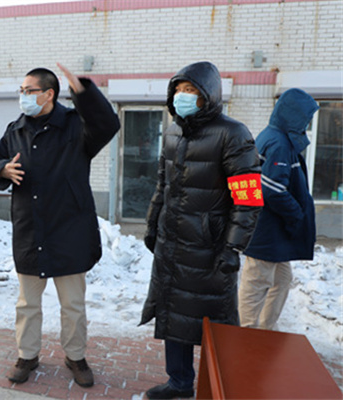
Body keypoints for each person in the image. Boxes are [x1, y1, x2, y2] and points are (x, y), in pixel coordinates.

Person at [0, 64, 120, 387]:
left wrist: (83, 92)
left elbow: (108, 124)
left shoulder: (76, 125)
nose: (23, 96)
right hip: (30, 230)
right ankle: (27, 355)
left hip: (69, 230)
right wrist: (2, 170)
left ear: (49, 94)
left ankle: (75, 356)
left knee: (72, 305)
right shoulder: (16, 129)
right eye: (21, 91)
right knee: (27, 304)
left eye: (29, 91)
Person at [140, 61, 263, 400]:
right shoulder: (172, 132)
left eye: (191, 90)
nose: (182, 96)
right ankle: (179, 382)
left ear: (209, 94)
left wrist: (233, 247)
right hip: (172, 242)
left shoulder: (233, 134)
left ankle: (222, 385)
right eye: (178, 89)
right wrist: (152, 224)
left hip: (209, 247)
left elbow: (248, 199)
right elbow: (162, 184)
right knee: (173, 313)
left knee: (215, 321)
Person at [239, 89, 319, 331]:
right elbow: (272, 190)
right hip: (267, 231)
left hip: (274, 232)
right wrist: (297, 214)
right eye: (306, 117)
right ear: (293, 115)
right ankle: (246, 333)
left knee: (282, 280)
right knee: (257, 282)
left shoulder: (274, 136)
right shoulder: (279, 143)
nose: (307, 122)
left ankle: (266, 329)